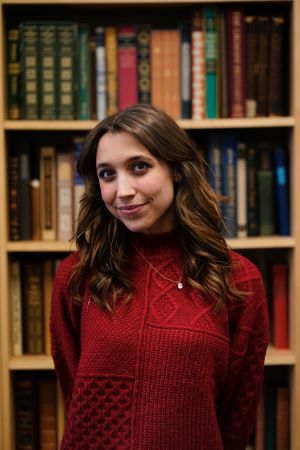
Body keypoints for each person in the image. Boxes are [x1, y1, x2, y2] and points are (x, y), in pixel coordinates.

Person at [50, 104, 269, 450]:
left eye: (139, 167)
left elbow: (236, 414)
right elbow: (73, 391)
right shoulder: (76, 275)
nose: (122, 191)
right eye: (107, 174)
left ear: (177, 170)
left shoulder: (238, 280)